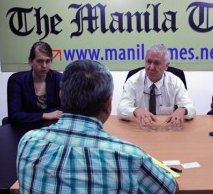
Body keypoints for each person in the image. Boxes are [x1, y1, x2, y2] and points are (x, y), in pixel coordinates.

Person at [17, 60, 178, 194]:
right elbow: (170, 189)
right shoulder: (130, 157)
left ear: (61, 95)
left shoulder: (28, 142)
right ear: (108, 104)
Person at [117, 44, 196, 127]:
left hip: (166, 129)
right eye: (149, 62)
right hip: (140, 127)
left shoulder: (175, 82)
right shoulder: (133, 81)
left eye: (157, 63)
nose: (151, 67)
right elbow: (121, 109)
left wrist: (182, 110)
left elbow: (191, 108)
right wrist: (136, 111)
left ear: (166, 66)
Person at [8, 41, 62, 123]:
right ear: (30, 61)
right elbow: (14, 115)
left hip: (53, 127)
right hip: (27, 128)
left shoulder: (59, 78)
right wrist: (44, 115)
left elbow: (67, 108)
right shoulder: (19, 82)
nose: (44, 66)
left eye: (47, 61)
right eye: (39, 61)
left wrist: (29, 114)